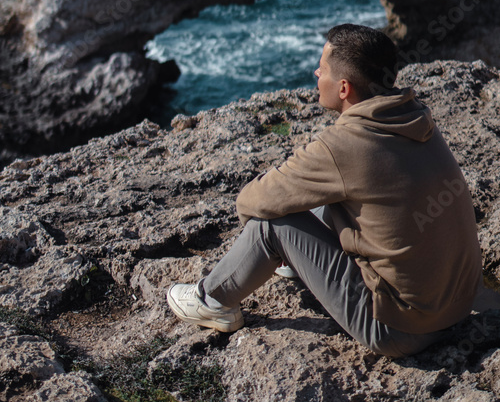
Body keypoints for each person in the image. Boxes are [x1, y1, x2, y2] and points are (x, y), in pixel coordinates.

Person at [166, 23, 483, 357]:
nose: (316, 72)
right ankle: (293, 262)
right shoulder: (416, 119)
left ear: (344, 88)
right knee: (331, 196)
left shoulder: (345, 146)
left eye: (324, 69)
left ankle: (211, 299)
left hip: (398, 328)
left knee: (270, 223)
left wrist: (270, 237)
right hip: (458, 308)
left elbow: (253, 201)